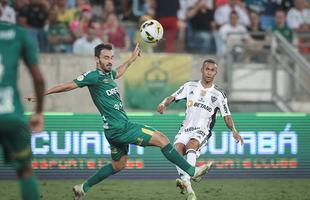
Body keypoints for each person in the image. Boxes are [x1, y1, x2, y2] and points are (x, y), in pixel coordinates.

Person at [25, 43, 212, 200]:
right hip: (121, 127)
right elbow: (67, 86)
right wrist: (41, 94)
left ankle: (83, 188)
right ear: (97, 59)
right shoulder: (93, 76)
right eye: (106, 57)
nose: (110, 61)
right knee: (162, 139)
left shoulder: (108, 75)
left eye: (111, 57)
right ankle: (191, 171)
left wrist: (131, 59)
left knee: (118, 165)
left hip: (112, 131)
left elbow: (118, 72)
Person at [157, 59, 244, 200]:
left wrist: (233, 130)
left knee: (191, 145)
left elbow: (227, 115)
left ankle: (187, 179)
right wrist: (163, 104)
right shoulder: (189, 86)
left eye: (212, 70)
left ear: (216, 73)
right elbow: (173, 96)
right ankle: (189, 187)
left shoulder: (218, 94)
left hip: (202, 130)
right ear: (202, 70)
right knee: (176, 150)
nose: (209, 72)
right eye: (207, 69)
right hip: (185, 128)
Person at [0, 17, 45, 200]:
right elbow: (39, 79)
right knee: (25, 170)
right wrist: (39, 112)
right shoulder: (19, 34)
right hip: (11, 114)